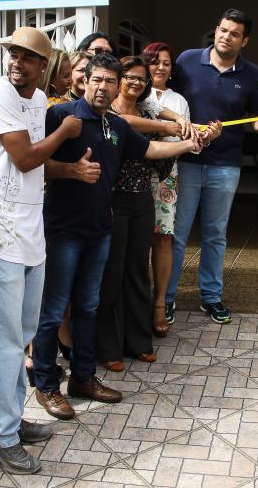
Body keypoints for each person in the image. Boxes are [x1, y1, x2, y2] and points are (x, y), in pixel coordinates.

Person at [33, 53, 202, 421]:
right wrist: (71, 170)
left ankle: (83, 378)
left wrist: (190, 144)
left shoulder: (117, 125)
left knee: (89, 306)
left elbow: (151, 149)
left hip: (99, 230)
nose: (103, 87)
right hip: (63, 230)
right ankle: (46, 385)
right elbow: (32, 163)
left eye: (110, 81)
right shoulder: (61, 116)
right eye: (97, 79)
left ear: (116, 87)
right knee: (53, 311)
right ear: (85, 81)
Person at [0, 27, 85, 474]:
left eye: (27, 57)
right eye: (13, 53)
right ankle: (0, 433)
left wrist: (70, 169)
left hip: (28, 232)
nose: (16, 61)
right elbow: (25, 157)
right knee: (4, 338)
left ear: (43, 65)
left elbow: (37, 163)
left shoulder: (35, 103)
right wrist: (65, 131)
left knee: (23, 331)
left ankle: (10, 419)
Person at [164, 8, 258, 325]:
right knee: (177, 233)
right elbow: (166, 99)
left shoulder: (251, 74)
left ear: (245, 41)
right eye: (223, 30)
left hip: (225, 164)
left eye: (235, 34)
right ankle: (165, 298)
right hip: (185, 160)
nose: (227, 37)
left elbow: (255, 117)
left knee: (215, 234)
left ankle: (211, 297)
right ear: (216, 30)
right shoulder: (187, 61)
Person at [96, 56, 177, 371]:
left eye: (141, 79)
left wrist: (193, 140)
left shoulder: (146, 114)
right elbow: (125, 133)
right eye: (129, 76)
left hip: (142, 200)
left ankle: (139, 342)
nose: (135, 83)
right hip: (112, 201)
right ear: (118, 79)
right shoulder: (107, 113)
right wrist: (168, 128)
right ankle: (109, 348)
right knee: (112, 273)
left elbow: (159, 162)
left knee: (137, 271)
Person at [141, 42, 190, 337]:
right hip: (132, 173)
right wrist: (165, 129)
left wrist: (201, 135)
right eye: (154, 61)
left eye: (166, 63)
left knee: (163, 238)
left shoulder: (179, 101)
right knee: (133, 241)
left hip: (166, 176)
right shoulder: (135, 93)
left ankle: (160, 303)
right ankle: (136, 302)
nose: (160, 67)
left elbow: (185, 139)